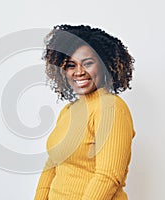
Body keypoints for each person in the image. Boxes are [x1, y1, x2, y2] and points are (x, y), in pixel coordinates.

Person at [34, 24, 136, 200]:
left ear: (104, 65)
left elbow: (108, 177)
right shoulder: (68, 111)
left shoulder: (111, 107)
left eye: (88, 63)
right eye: (71, 65)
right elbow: (52, 165)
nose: (79, 72)